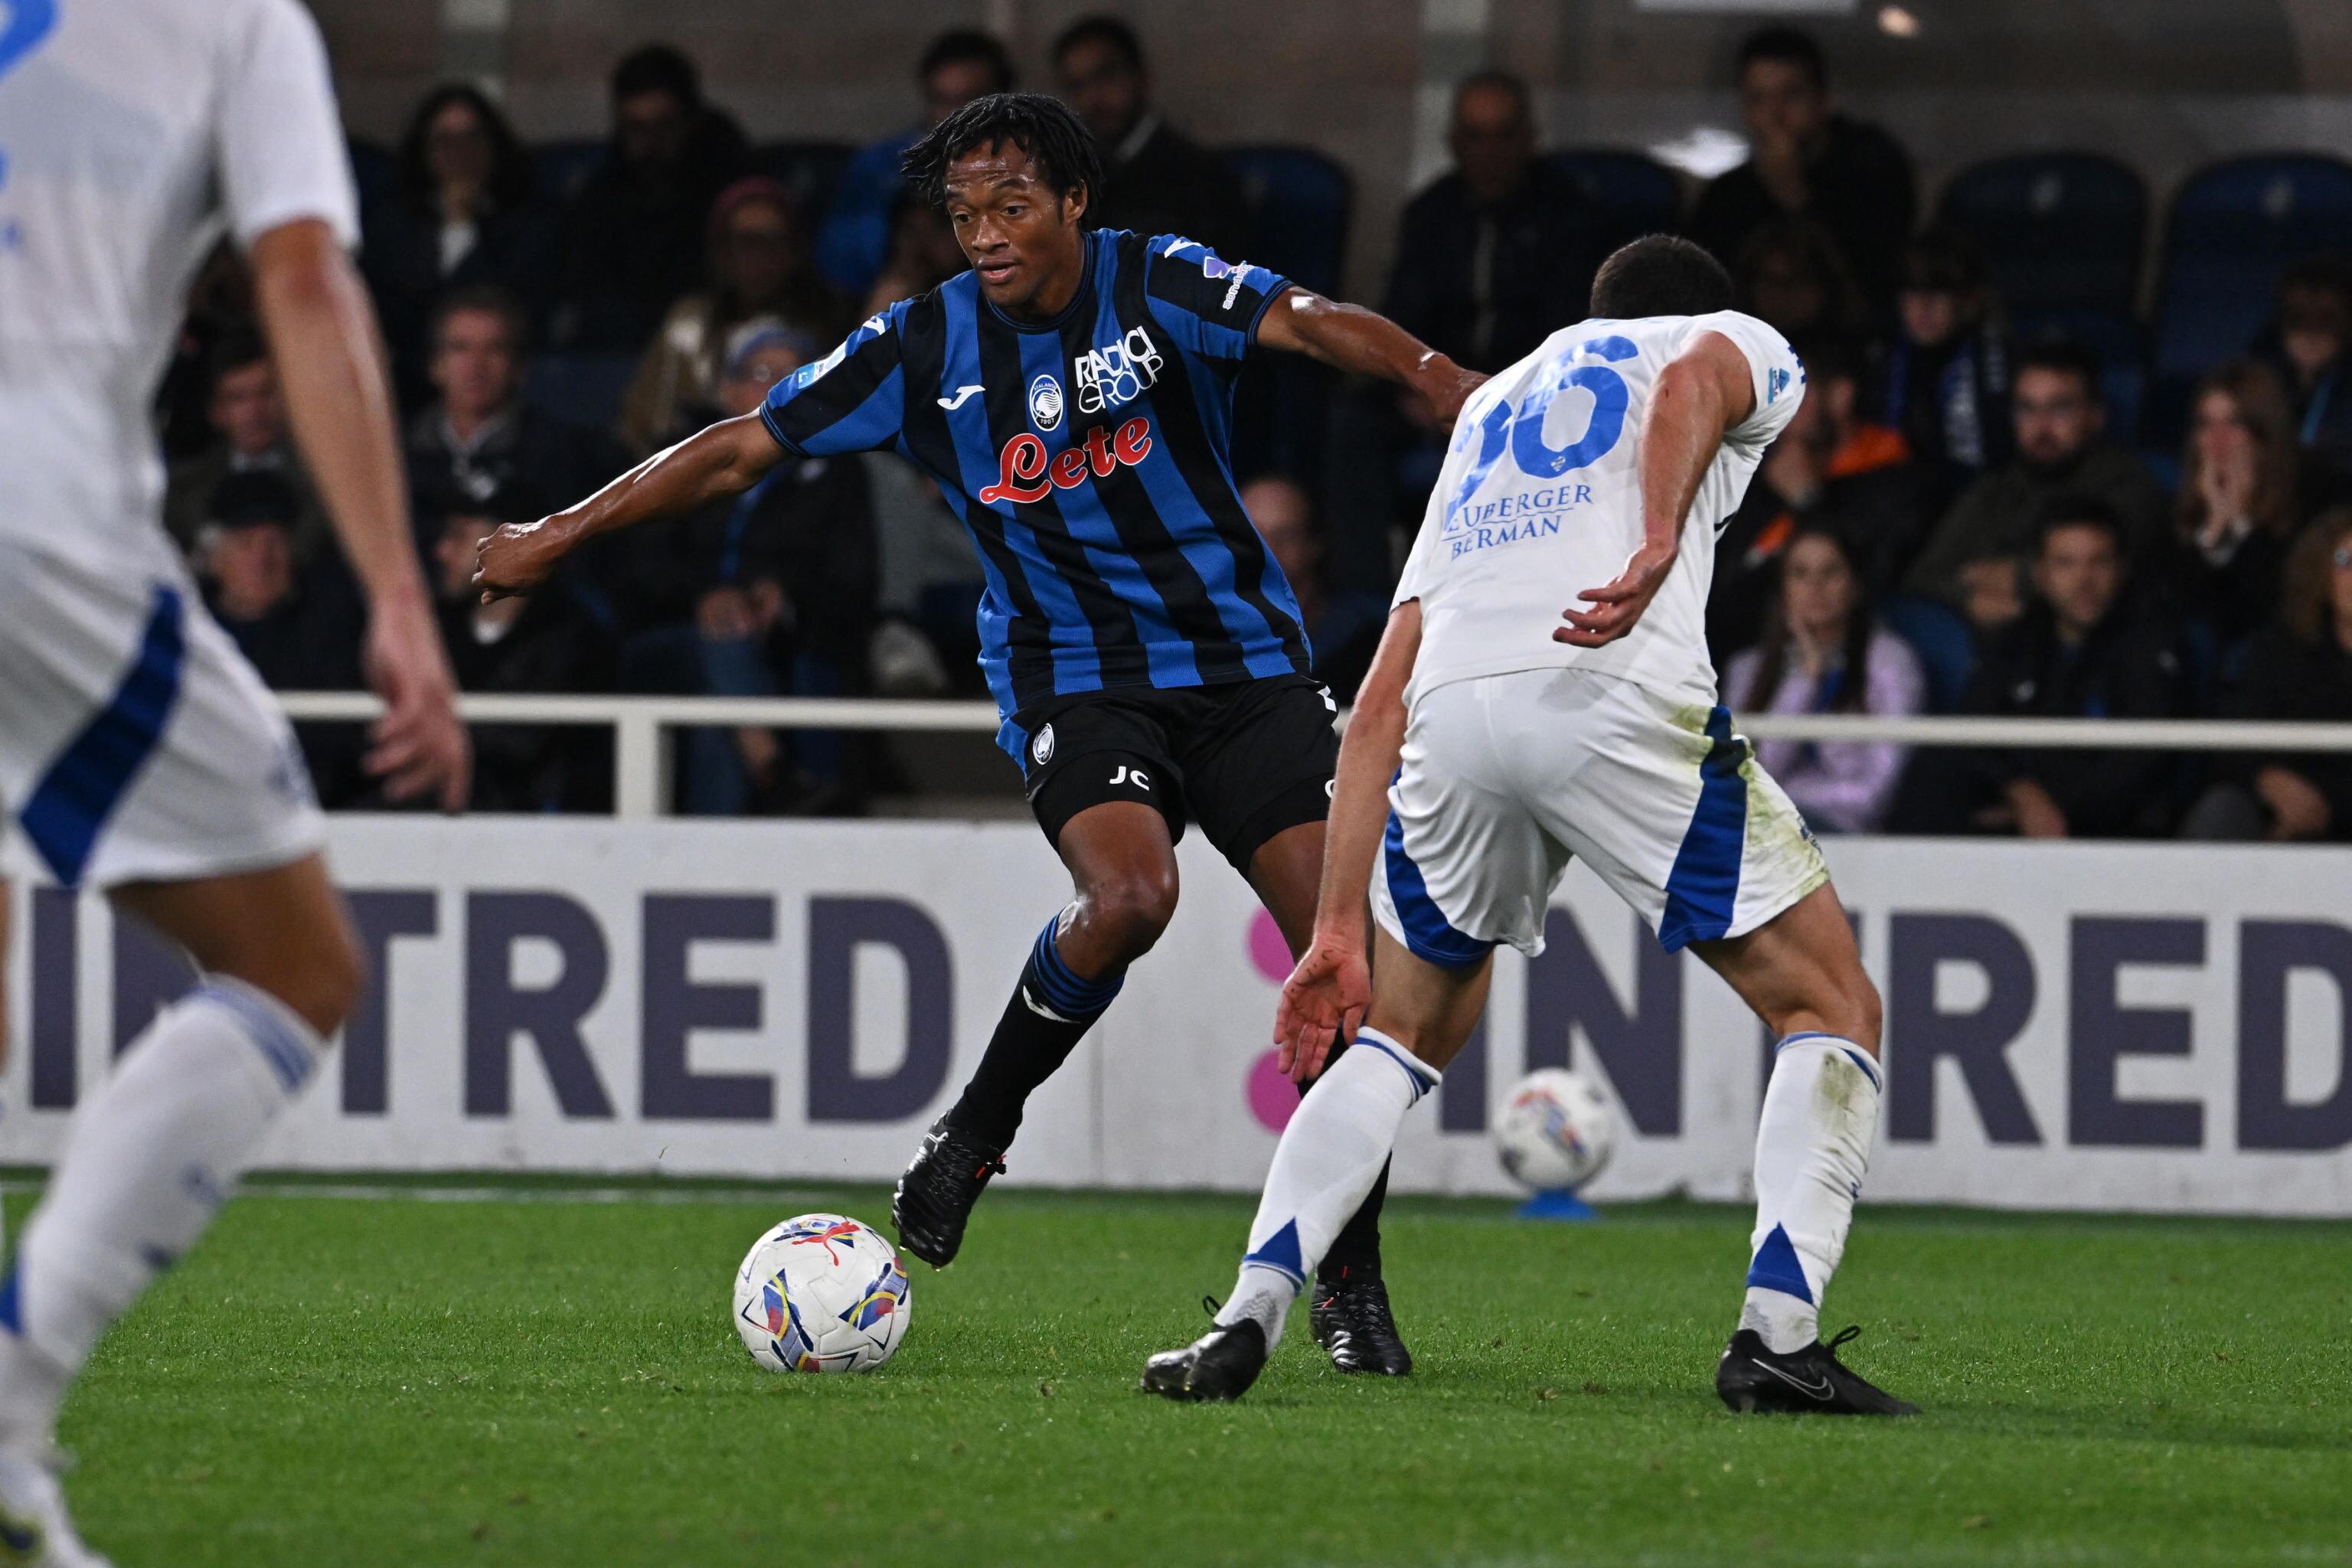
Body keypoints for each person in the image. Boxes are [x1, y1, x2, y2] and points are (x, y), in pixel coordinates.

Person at [476, 92, 1486, 1377]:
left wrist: (1433, 374)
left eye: (1012, 203)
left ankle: (1347, 1279)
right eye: (962, 213)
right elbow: (741, 447)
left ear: (1075, 202)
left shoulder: (1156, 279)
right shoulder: (919, 345)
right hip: (1075, 679)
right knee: (1129, 893)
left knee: (1346, 971)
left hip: (1244, 672)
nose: (986, 233)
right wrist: (555, 534)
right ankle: (975, 1128)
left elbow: (1302, 320)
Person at [1139, 237, 1912, 1416]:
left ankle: (1249, 1311)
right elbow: (1700, 374)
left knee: (1397, 1036)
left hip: (1452, 711)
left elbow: (1380, 697)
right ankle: (1776, 1333)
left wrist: (1336, 930)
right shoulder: (1721, 336)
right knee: (1829, 1003)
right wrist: (1658, 534)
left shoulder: (1495, 404)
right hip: (1608, 681)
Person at [0, 0, 468, 1557]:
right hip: (34, 512)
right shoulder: (232, 19)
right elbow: (300, 276)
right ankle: (9, 1404)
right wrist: (398, 591)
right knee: (294, 960)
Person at [1325, 71, 1606, 602]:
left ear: (1529, 137)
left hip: (1530, 402)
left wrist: (1489, 398)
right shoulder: (1431, 214)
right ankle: (1363, 605)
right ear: (1455, 142)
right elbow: (1398, 321)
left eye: (1504, 134)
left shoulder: (1573, 216)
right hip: (1433, 397)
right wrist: (1416, 385)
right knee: (1351, 421)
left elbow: (1574, 336)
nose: (1490, 151)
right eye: (1476, 136)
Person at [611, 323, 880, 815]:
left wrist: (784, 594)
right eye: (760, 373)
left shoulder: (840, 470)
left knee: (722, 708)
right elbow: (640, 564)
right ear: (726, 389)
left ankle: (736, 818)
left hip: (782, 638)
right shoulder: (681, 460)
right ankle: (773, 769)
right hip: (672, 636)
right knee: (723, 641)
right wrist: (704, 596)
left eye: (795, 374)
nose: (777, 388)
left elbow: (854, 578)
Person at [1906, 499, 2186, 839]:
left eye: (2099, 562)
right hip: (2024, 822)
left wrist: (2055, 807)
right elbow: (1974, 732)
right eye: (2065, 564)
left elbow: (2141, 763)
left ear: (2122, 569)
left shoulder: (2150, 640)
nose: (2083, 580)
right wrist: (2020, 791)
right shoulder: (2017, 639)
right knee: (1933, 774)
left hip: (2120, 835)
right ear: (2040, 574)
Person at [1903, 337, 2171, 629]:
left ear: (2095, 417)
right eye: (2027, 409)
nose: (2041, 426)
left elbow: (2110, 579)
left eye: (2060, 409)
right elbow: (1922, 578)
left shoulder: (2131, 487)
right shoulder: (1992, 491)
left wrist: (2018, 579)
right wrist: (1966, 598)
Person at [1708, 338, 1925, 659]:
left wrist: (1808, 501)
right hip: (1735, 658)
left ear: (1840, 396)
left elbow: (1872, 575)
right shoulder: (1765, 472)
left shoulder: (1891, 477)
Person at [1690, 27, 1916, 313]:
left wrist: (1795, 196)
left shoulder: (1872, 168)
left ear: (1824, 100)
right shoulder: (1728, 194)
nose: (1774, 115)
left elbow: (1872, 283)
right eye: (1758, 98)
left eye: (1791, 95)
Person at [619, 178, 848, 454]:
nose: (760, 257)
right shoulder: (688, 323)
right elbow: (643, 424)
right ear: (721, 253)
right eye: (747, 243)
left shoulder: (827, 325)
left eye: (774, 243)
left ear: (794, 252)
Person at [547, 44, 750, 353]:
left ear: (690, 121)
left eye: (664, 127)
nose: (650, 144)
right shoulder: (602, 195)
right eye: (636, 128)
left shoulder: (731, 189)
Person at [361, 83, 551, 409]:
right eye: (444, 141)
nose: (459, 153)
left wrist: (465, 222)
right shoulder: (391, 223)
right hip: (406, 386)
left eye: (472, 138)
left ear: (494, 145)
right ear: (425, 151)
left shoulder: (531, 221)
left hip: (503, 385)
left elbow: (518, 303)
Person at [1723, 525, 1925, 833]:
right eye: (1800, 574)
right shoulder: (1747, 668)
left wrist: (1782, 795)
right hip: (1758, 831)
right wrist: (1806, 678)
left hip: (1845, 835)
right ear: (1782, 588)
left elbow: (1874, 795)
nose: (1815, 587)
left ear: (1855, 585)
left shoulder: (1891, 661)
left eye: (1831, 572)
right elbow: (1744, 777)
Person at [433, 488, 615, 813]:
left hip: (545, 835)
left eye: (459, 536)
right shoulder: (433, 629)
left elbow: (536, 748)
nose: (442, 551)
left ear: (514, 543)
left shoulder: (575, 635)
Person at [194, 472, 371, 806]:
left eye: (274, 542)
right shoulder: (188, 628)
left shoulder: (329, 627)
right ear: (215, 557)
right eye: (245, 543)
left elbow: (335, 740)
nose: (261, 560)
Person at [2180, 508, 2352, 842]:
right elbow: (2230, 741)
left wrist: (2324, 807)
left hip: (2326, 813)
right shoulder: (2280, 651)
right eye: (2346, 561)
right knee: (2222, 811)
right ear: (2321, 570)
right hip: (2281, 822)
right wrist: (2267, 778)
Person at [404, 285, 629, 530]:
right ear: (435, 364)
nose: (476, 367)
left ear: (519, 368)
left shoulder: (562, 457)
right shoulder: (395, 454)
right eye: (460, 348)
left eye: (495, 349)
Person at [816, 31, 1014, 298]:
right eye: (942, 100)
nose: (955, 116)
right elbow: (836, 258)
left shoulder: (1031, 168)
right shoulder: (883, 165)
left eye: (971, 101)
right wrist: (899, 242)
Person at [1051, 15, 1248, 256]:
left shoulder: (1200, 178)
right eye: (1076, 85)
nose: (1093, 97)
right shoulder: (1069, 172)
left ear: (1141, 76)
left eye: (1106, 76)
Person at [2174, 359, 2334, 647]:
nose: (2216, 440)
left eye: (2234, 423)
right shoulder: (2190, 500)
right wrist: (2214, 528)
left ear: (2266, 433)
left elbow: (2275, 611)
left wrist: (2240, 525)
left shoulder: (2315, 495)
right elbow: (2187, 612)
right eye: (2206, 424)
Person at [162, 331, 332, 561]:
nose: (255, 412)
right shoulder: (180, 490)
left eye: (266, 393)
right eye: (238, 398)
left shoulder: (329, 483)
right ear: (216, 412)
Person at [1880, 226, 2011, 502]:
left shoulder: (2000, 360)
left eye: (1939, 291)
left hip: (1982, 503)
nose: (1924, 306)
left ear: (1969, 298)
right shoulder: (1881, 360)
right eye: (1913, 291)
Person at [1242, 475, 1388, 701]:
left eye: (1285, 536)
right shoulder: (1197, 641)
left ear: (1314, 544)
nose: (1267, 551)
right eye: (1252, 536)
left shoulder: (1366, 639)